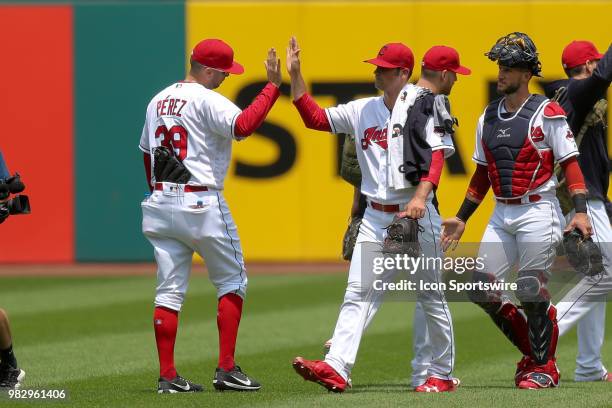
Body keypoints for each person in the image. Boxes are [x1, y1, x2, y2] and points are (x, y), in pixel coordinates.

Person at [288, 37, 469, 393]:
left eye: (384, 69)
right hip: (375, 216)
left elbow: (436, 156)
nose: (376, 72)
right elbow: (315, 118)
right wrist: (295, 77)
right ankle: (337, 367)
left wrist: (421, 196)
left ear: (403, 73)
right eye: (376, 67)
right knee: (357, 291)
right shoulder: (362, 109)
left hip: (415, 215)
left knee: (430, 296)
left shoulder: (427, 103)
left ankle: (443, 373)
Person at [441, 32, 593, 390]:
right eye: (499, 66)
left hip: (538, 210)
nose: (501, 73)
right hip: (502, 212)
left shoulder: (548, 112)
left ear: (527, 74)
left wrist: (581, 211)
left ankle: (544, 368)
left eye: (508, 67)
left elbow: (571, 164)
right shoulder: (488, 116)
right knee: (481, 287)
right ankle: (534, 352)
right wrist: (462, 218)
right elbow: (482, 173)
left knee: (531, 290)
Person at [139, 38, 281, 393]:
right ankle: (227, 369)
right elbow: (244, 125)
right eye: (222, 72)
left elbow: (146, 152)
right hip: (201, 201)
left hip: (160, 201)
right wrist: (273, 87)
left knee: (169, 292)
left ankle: (168, 377)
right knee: (233, 280)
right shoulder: (207, 98)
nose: (225, 78)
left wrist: (158, 189)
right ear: (206, 69)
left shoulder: (157, 100)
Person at [543, 41, 612, 383]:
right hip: (584, 201)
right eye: (595, 62)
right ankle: (546, 329)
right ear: (586, 65)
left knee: (596, 277)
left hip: (591, 197)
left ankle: (588, 365)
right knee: (606, 275)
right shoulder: (574, 91)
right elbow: (603, 76)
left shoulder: (571, 95)